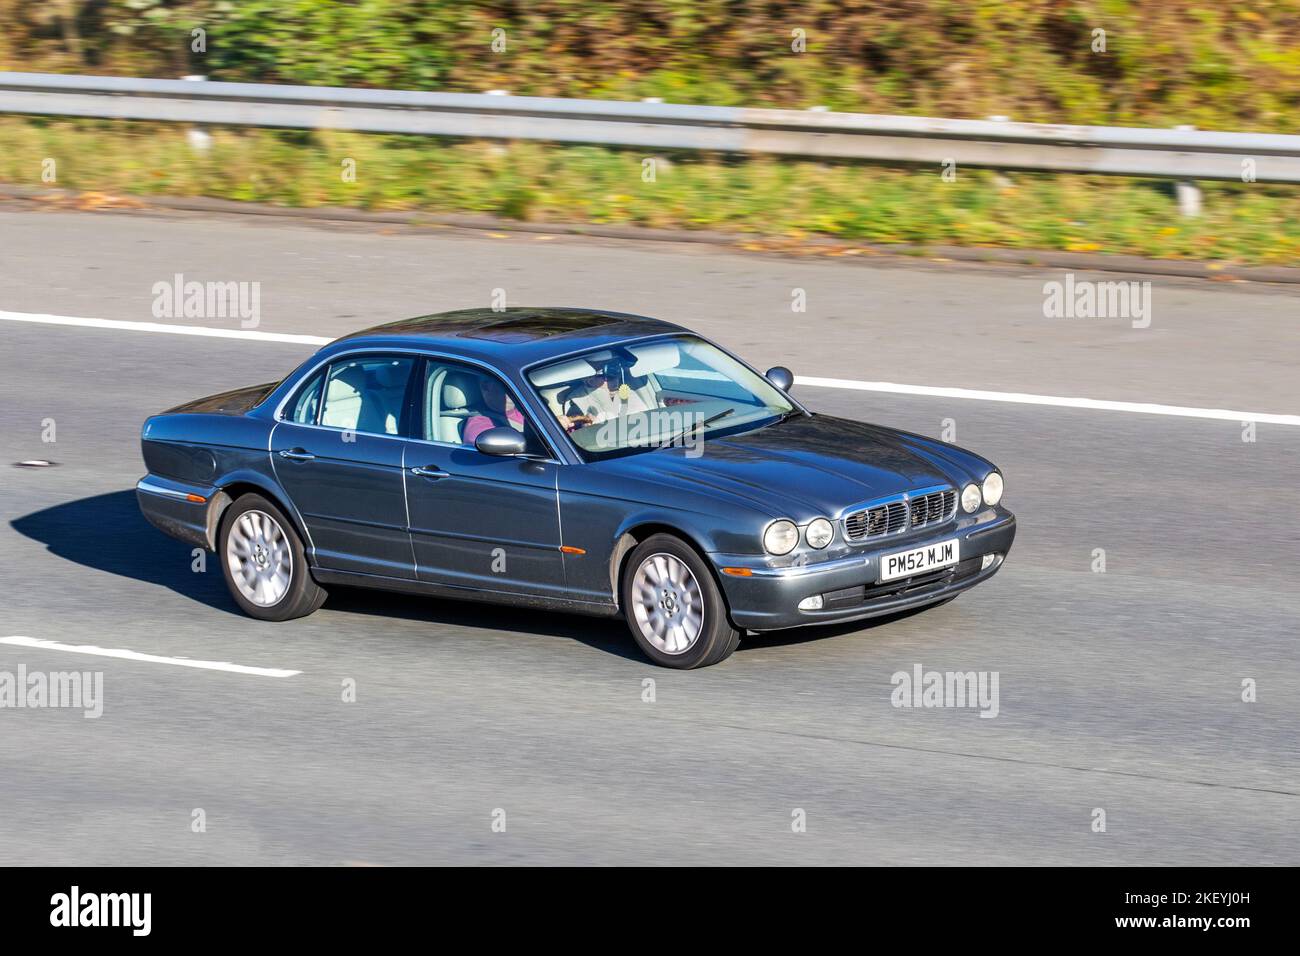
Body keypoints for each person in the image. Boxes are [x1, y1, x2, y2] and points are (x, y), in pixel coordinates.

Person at [463, 375, 525, 445]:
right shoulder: (478, 426)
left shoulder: (527, 410)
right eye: (506, 386)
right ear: (485, 387)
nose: (513, 392)